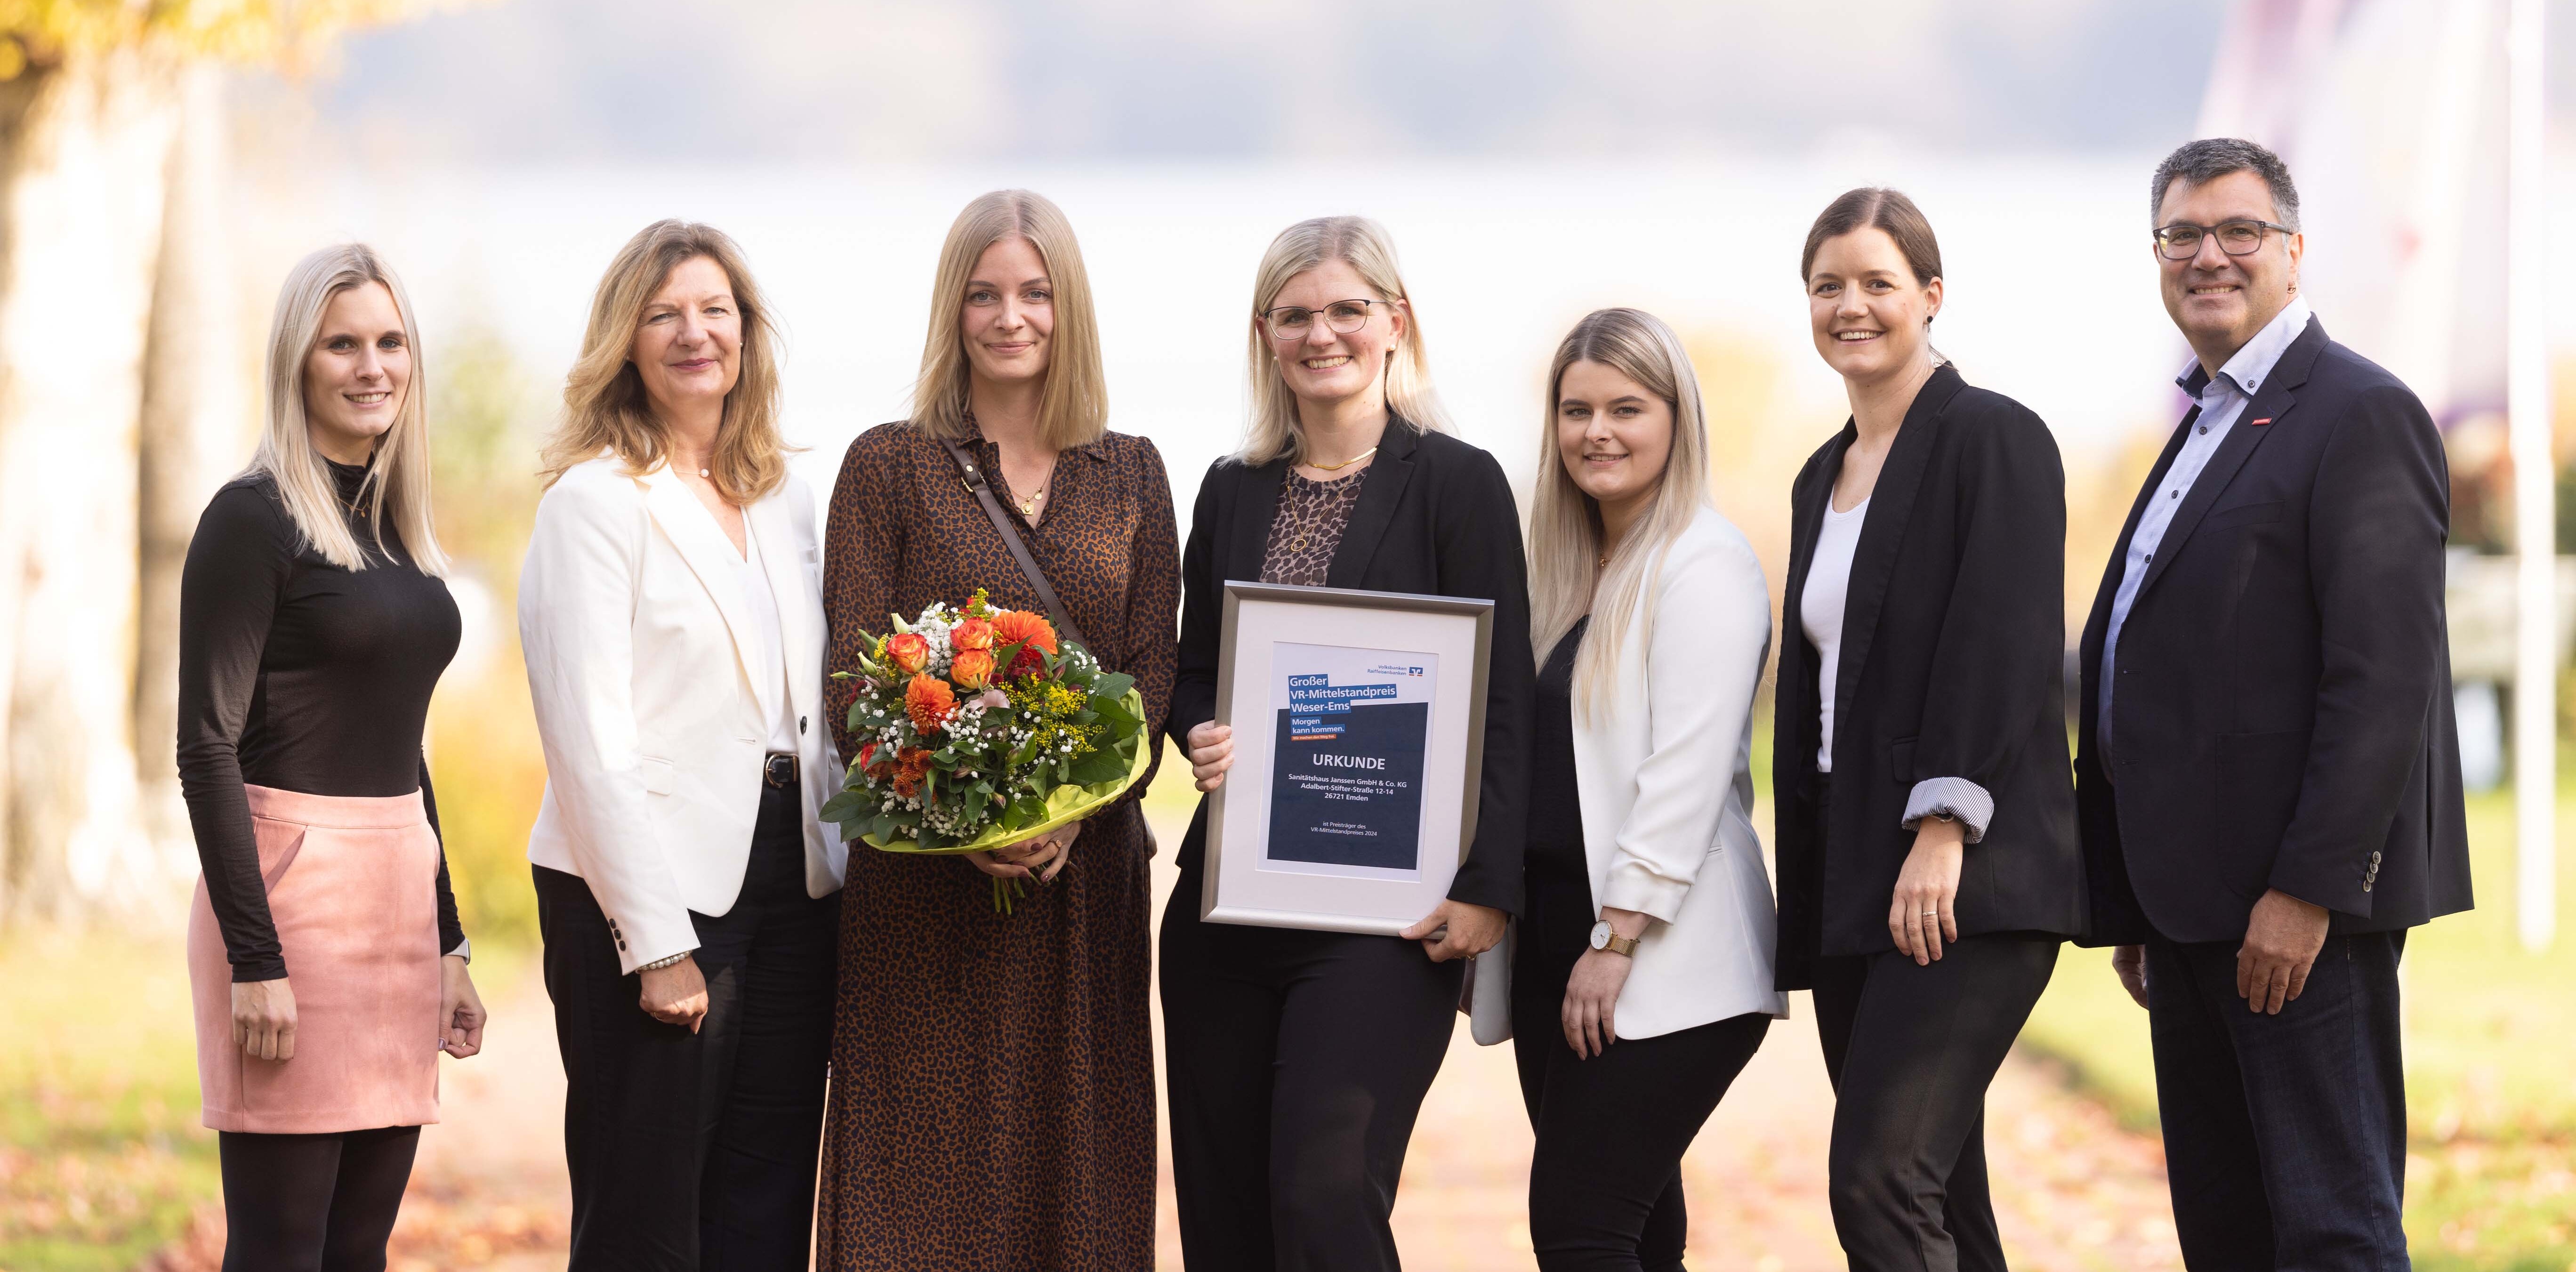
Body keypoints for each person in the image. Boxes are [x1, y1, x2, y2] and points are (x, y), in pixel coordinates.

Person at [2078, 138, 2470, 1270]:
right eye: (2182, 235)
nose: (2209, 255)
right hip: (2192, 913)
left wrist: (2307, 891)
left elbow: (2383, 677)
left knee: (2333, 1233)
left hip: (2295, 920)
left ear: (2294, 252)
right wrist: (2134, 893)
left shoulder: (2359, 413)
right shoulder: (2205, 423)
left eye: (2239, 231)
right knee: (2230, 1234)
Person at [812, 189, 1178, 1271]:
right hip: (922, 895)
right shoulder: (886, 465)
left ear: (1070, 308)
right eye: (983, 294)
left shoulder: (1134, 472)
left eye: (1034, 292)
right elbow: (852, 678)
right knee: (918, 1192)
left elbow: (1152, 670)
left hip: (1085, 886)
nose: (1010, 316)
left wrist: (1072, 811)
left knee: (1075, 1172)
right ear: (953, 309)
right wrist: (958, 817)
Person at [1164, 215, 1534, 1272]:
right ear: (1266, 334)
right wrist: (1200, 732)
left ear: (1395, 321)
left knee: (1324, 1198)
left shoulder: (1459, 483)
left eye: (1346, 310)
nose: (1320, 334)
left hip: (1385, 915)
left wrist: (1488, 887)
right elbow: (1196, 670)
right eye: (1295, 315)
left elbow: (1504, 700)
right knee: (1227, 1218)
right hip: (1230, 905)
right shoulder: (1232, 486)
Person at [519, 219, 844, 1271]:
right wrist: (655, 942)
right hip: (646, 889)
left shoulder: (783, 495)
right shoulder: (593, 503)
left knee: (765, 1206)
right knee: (645, 1223)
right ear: (625, 341)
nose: (694, 333)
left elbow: (807, 704)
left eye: (714, 310)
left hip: (793, 887)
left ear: (747, 332)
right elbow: (587, 741)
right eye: (663, 315)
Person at [1772, 188, 2083, 1272]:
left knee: (1880, 1178)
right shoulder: (1820, 477)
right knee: (1941, 1194)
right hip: (1854, 876)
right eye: (1828, 286)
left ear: (1932, 295)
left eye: (1878, 283)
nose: (1850, 306)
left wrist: (1944, 826)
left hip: (1968, 876)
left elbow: (2005, 643)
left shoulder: (1994, 438)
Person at [177, 242, 486, 1272]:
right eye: (342, 344)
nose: (373, 366)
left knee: (360, 1248)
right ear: (297, 361)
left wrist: (449, 941)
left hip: (397, 901)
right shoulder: (251, 519)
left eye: (391, 342)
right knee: (281, 1250)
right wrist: (255, 959)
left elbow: (403, 744)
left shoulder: (395, 524)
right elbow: (206, 746)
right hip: (291, 906)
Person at [1513, 307, 1786, 1271]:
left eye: (1627, 408)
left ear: (1677, 418)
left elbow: (1687, 770)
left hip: (1663, 951)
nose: (1598, 432)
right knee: (1637, 1230)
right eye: (1576, 410)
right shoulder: (1558, 569)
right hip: (1554, 943)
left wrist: (1615, 938)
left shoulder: (1706, 563)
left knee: (1579, 1228)